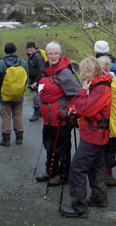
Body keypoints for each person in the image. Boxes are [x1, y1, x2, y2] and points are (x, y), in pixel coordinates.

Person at [60, 57, 112, 218]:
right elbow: (85, 108)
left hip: (93, 135)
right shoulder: (99, 85)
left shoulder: (101, 88)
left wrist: (82, 91)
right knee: (96, 165)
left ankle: (79, 207)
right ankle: (99, 197)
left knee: (77, 168)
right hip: (96, 133)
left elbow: (85, 108)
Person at [36, 41, 80, 186]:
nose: (53, 56)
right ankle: (50, 171)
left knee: (62, 148)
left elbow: (77, 95)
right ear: (46, 55)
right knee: (48, 145)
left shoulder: (65, 72)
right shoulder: (45, 71)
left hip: (61, 119)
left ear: (60, 55)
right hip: (48, 119)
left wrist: (68, 112)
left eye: (56, 53)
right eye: (50, 54)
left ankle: (64, 175)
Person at [0, 42, 29, 146]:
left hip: (4, 97)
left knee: (6, 116)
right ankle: (19, 137)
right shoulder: (23, 63)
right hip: (19, 96)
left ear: (5, 51)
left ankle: (6, 139)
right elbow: (26, 78)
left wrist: (0, 91)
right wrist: (21, 90)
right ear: (15, 50)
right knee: (18, 115)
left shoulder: (1, 64)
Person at [96, 56, 116, 187]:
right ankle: (108, 174)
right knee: (110, 149)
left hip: (99, 122)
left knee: (101, 148)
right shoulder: (115, 80)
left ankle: (100, 174)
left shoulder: (94, 80)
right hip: (112, 120)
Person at [26, 41, 45, 122]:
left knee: (36, 96)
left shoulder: (38, 57)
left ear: (34, 48)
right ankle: (41, 112)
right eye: (27, 48)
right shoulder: (31, 56)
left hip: (39, 80)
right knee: (38, 96)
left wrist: (36, 82)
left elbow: (41, 70)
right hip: (33, 80)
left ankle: (36, 113)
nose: (29, 49)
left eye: (30, 48)